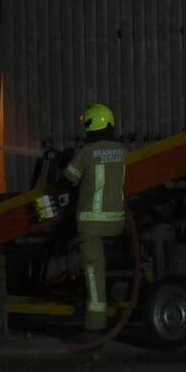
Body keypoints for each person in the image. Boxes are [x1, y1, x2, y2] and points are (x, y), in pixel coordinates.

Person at [63, 103, 127, 338]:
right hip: (117, 222)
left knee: (93, 272)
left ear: (92, 123)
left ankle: (94, 324)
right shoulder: (121, 150)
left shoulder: (86, 152)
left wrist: (65, 160)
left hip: (91, 223)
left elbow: (68, 179)